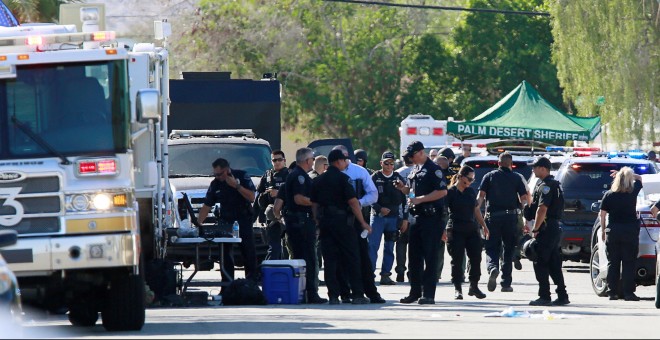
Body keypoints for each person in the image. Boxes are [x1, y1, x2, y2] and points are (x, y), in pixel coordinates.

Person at [311, 149, 372, 305]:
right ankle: (357, 294)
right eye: (345, 160)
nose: (346, 163)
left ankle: (333, 295)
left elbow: (314, 205)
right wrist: (363, 222)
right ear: (338, 161)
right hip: (344, 223)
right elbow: (353, 203)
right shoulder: (344, 179)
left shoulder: (319, 180)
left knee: (330, 260)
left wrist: (317, 222)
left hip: (326, 223)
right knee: (352, 258)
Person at [333, 145, 385, 303]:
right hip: (337, 220)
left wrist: (358, 203)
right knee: (339, 258)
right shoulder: (332, 173)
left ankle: (370, 292)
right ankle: (344, 293)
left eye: (345, 157)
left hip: (356, 219)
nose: (344, 160)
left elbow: (373, 194)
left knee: (362, 257)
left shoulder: (359, 172)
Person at [399, 141, 448, 305]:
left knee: (430, 257)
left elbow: (442, 191)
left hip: (431, 218)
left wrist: (420, 199)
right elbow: (412, 191)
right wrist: (403, 189)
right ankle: (414, 292)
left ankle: (428, 294)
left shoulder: (434, 170)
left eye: (413, 156)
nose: (411, 159)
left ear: (421, 153)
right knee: (413, 258)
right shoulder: (415, 169)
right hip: (416, 218)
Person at [197, 158, 258, 282]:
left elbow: (252, 197)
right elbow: (207, 206)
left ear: (226, 170)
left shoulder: (241, 176)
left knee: (248, 252)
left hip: (243, 218)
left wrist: (236, 186)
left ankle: (251, 284)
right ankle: (227, 285)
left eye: (219, 174)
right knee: (225, 254)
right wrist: (198, 223)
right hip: (226, 220)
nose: (217, 177)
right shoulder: (215, 184)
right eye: (215, 174)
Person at [477, 152, 529, 293]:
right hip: (511, 218)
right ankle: (506, 283)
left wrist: (476, 210)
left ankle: (493, 267)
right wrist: (524, 214)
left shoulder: (489, 176)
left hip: (493, 217)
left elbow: (480, 197)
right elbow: (524, 199)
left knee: (491, 247)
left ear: (498, 163)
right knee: (508, 249)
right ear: (511, 164)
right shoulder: (517, 178)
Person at [282, 148, 327, 304]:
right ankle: (310, 293)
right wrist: (317, 202)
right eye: (312, 159)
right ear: (307, 161)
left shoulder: (297, 175)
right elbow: (299, 199)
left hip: (298, 222)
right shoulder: (299, 176)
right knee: (308, 258)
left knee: (302, 258)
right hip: (301, 222)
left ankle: (304, 292)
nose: (313, 162)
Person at [525, 157, 570, 306]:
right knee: (553, 262)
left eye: (535, 167)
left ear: (543, 168)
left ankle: (544, 295)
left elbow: (542, 209)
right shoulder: (548, 184)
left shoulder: (547, 186)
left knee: (540, 261)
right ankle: (562, 295)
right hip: (553, 228)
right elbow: (534, 209)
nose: (533, 170)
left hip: (547, 228)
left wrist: (536, 229)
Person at [442, 165, 489, 300]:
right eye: (469, 179)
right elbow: (444, 213)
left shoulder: (470, 192)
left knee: (476, 258)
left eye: (473, 180)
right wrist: (442, 229)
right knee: (457, 260)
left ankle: (474, 286)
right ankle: (458, 288)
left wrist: (484, 226)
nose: (470, 182)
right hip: (455, 228)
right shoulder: (450, 192)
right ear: (461, 177)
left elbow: (476, 210)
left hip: (471, 229)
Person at [599, 167, 643, 301]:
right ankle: (628, 293)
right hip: (629, 231)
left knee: (613, 262)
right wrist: (626, 174)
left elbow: (602, 214)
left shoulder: (609, 194)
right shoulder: (632, 192)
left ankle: (612, 292)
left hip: (613, 231)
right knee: (629, 263)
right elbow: (640, 178)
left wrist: (603, 230)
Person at [369, 151, 408, 285]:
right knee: (373, 246)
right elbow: (369, 197)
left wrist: (405, 219)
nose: (389, 166)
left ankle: (386, 274)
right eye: (386, 163)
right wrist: (379, 209)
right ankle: (369, 275)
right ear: (381, 163)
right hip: (378, 217)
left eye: (392, 163)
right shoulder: (375, 177)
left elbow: (406, 199)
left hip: (393, 219)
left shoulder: (398, 178)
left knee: (389, 246)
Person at [255, 150, 289, 261]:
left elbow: (295, 195)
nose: (277, 162)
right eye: (274, 160)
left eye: (280, 159)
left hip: (286, 215)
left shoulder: (290, 175)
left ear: (284, 161)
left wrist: (278, 192)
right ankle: (270, 271)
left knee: (286, 248)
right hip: (271, 217)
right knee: (274, 247)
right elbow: (259, 196)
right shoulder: (267, 176)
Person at [395, 155, 414, 283]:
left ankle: (400, 271)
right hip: (414, 213)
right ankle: (412, 272)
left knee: (401, 243)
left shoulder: (397, 173)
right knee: (414, 246)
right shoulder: (417, 172)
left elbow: (396, 195)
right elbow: (413, 194)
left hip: (400, 214)